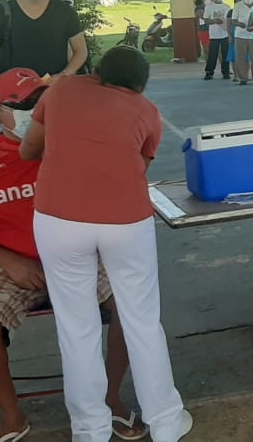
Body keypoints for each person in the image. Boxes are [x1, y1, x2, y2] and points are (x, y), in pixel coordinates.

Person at [0, 68, 148, 442]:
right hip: (10, 263)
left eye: (38, 101)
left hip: (80, 254)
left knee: (133, 305)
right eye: (19, 104)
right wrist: (10, 262)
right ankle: (12, 415)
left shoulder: (77, 145)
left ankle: (109, 399)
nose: (30, 109)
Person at [19, 46, 193, 442]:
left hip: (58, 218)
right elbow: (136, 166)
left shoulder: (60, 91)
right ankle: (166, 421)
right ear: (141, 84)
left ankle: (90, 429)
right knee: (142, 320)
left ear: (97, 71)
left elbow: (28, 149)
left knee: (76, 326)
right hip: (125, 220)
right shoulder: (147, 111)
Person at [232, 0, 253, 86]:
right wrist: (239, 24)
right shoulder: (238, 6)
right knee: (241, 57)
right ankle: (243, 78)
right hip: (240, 35)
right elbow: (233, 20)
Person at [203, 0, 231, 81]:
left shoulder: (226, 7)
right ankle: (209, 72)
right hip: (214, 35)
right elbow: (206, 20)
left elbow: (229, 20)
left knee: (225, 54)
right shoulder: (209, 7)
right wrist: (214, 21)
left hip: (225, 34)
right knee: (212, 54)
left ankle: (226, 72)